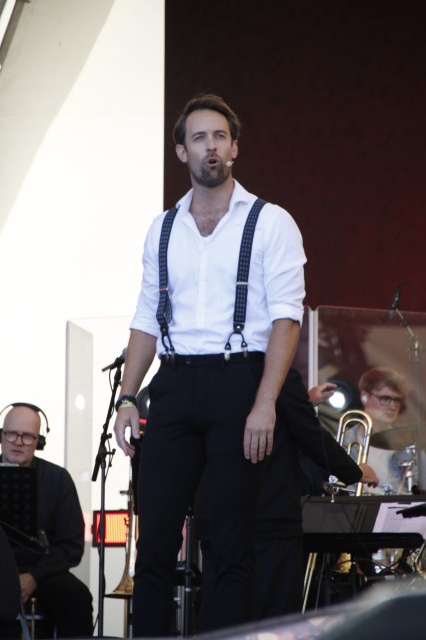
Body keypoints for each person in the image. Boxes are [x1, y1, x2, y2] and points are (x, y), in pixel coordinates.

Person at [113, 92, 307, 636]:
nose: (211, 146)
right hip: (174, 383)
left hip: (238, 380)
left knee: (230, 544)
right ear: (182, 152)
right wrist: (127, 397)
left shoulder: (270, 222)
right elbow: (146, 318)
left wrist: (265, 402)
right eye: (199, 138)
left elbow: (287, 319)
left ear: (235, 147)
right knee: (154, 543)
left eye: (220, 136)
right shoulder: (163, 227)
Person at [194, 372, 379, 627]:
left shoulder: (203, 371)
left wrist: (303, 401)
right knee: (275, 618)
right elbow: (310, 434)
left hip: (216, 515)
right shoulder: (274, 374)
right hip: (268, 515)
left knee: (221, 611)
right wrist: (354, 471)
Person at [0, 403, 93, 638]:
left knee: (77, 597)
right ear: (1, 436)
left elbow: (71, 546)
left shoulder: (58, 479)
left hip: (42, 573)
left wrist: (33, 577)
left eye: (27, 436)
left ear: (39, 442)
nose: (18, 441)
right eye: (11, 434)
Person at [345, 367, 412, 495]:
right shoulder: (344, 442)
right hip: (355, 506)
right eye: (385, 399)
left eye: (397, 400)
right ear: (365, 397)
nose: (392, 406)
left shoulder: (409, 442)